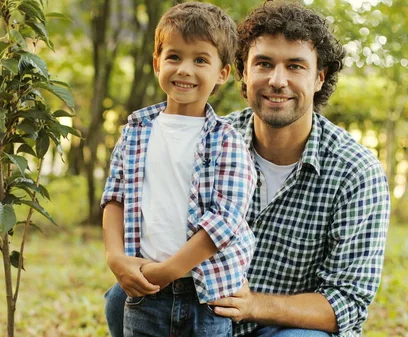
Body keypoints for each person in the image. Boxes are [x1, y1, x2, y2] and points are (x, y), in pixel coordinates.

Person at [103, 1, 391, 337]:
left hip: (282, 326)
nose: (277, 80)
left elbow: (348, 303)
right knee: (118, 297)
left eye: (296, 66)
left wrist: (254, 305)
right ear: (242, 73)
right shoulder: (210, 140)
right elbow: (134, 200)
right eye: (264, 64)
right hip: (197, 307)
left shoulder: (356, 171)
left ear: (318, 78)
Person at [101, 2, 257, 337]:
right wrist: (116, 258)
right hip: (145, 292)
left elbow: (225, 219)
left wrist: (169, 270)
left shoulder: (227, 141)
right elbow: (115, 197)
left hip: (208, 296)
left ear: (223, 73)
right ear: (157, 62)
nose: (185, 69)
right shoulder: (136, 130)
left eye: (200, 60)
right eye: (174, 57)